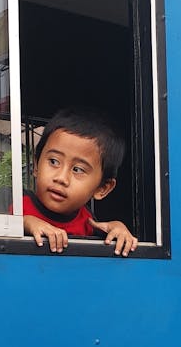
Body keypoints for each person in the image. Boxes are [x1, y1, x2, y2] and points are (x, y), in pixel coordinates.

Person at [23, 108, 138, 256]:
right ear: (36, 164)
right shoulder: (17, 203)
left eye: (78, 170)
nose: (61, 178)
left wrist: (118, 229)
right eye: (53, 161)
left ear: (102, 188)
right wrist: (26, 222)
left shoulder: (88, 223)